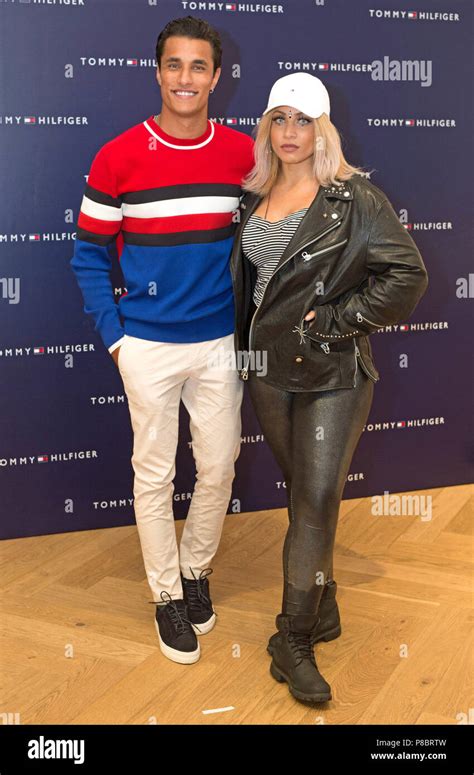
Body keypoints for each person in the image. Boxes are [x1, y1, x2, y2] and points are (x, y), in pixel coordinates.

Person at [230, 72, 429, 703]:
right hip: (267, 371)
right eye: (279, 120)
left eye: (303, 120)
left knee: (314, 495)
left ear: (323, 129)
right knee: (306, 499)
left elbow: (408, 274)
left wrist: (340, 322)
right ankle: (327, 601)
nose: (290, 133)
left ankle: (292, 639)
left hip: (330, 371)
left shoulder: (355, 198)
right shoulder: (251, 196)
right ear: (267, 129)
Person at [70, 16, 254, 665]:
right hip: (145, 343)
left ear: (216, 76)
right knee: (154, 475)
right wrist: (117, 341)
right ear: (158, 72)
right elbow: (88, 253)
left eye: (198, 66)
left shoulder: (242, 156)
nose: (185, 78)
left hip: (218, 343)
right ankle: (166, 594)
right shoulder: (117, 155)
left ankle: (197, 569)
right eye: (174, 65)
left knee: (220, 465)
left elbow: (265, 241)